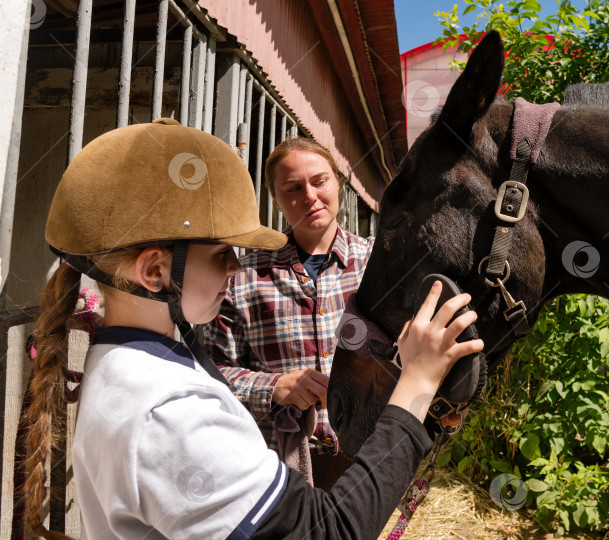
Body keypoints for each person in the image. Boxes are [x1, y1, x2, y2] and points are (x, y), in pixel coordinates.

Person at [24, 119, 483, 540]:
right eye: (223, 251)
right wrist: (419, 386)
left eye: (320, 181)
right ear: (155, 271)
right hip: (287, 458)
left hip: (343, 453)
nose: (234, 267)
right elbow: (330, 534)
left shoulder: (128, 364)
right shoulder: (170, 413)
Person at [204, 137, 371, 490]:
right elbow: (210, 374)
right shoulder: (243, 279)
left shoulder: (376, 266)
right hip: (275, 465)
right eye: (293, 188)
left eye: (319, 181)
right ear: (277, 200)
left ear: (337, 182)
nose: (309, 196)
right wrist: (273, 387)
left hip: (363, 462)